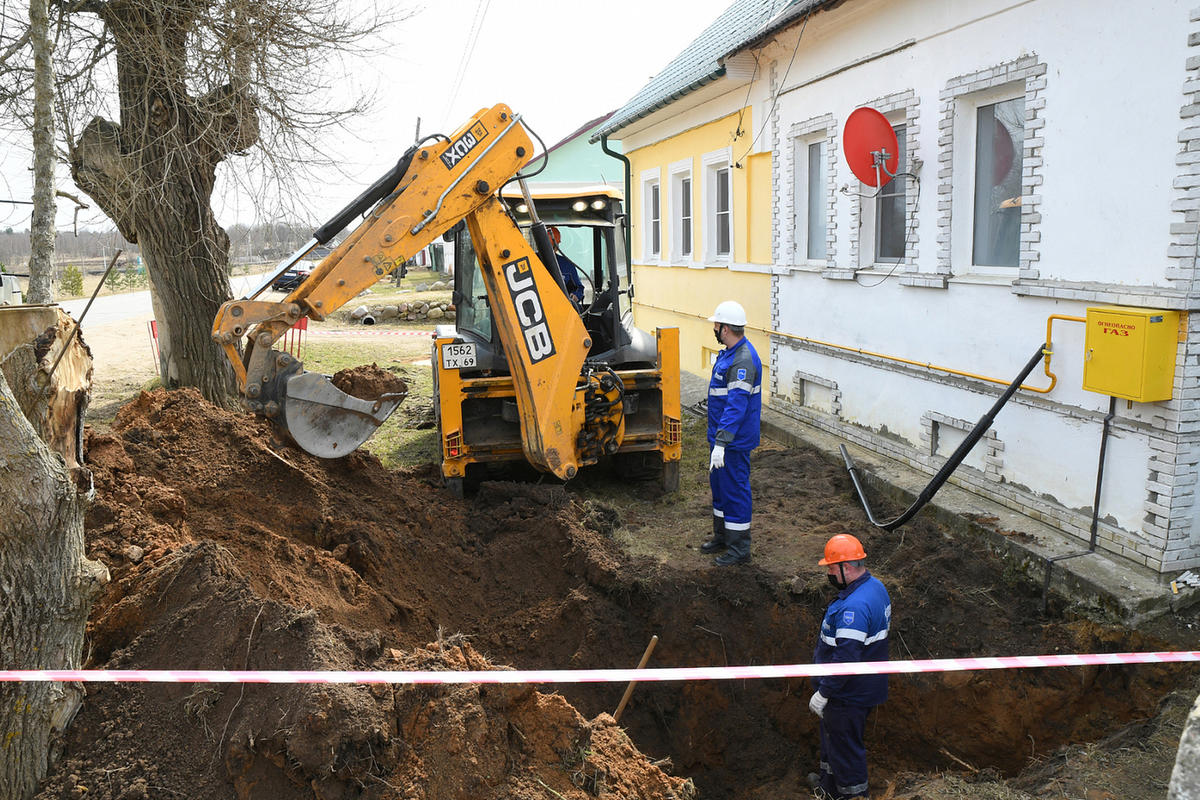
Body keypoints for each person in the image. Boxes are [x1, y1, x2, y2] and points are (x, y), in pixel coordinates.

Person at [808, 534, 892, 800]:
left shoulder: (854, 608)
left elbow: (846, 660)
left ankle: (854, 796)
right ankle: (828, 788)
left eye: (832, 568)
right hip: (853, 691)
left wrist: (825, 693)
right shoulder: (875, 587)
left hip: (846, 694)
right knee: (834, 740)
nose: (829, 573)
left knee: (845, 749)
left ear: (848, 567)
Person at [701, 300, 762, 566]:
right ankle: (723, 537)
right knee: (720, 488)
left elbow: (736, 407)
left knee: (735, 490)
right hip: (722, 440)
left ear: (725, 328)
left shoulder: (742, 361)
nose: (714, 328)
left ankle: (739, 550)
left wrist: (722, 444)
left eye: (717, 324)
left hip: (732, 444)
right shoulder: (729, 353)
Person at [546, 226, 585, 306]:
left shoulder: (566, 265)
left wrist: (575, 296)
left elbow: (579, 288)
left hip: (563, 307)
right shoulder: (532, 262)